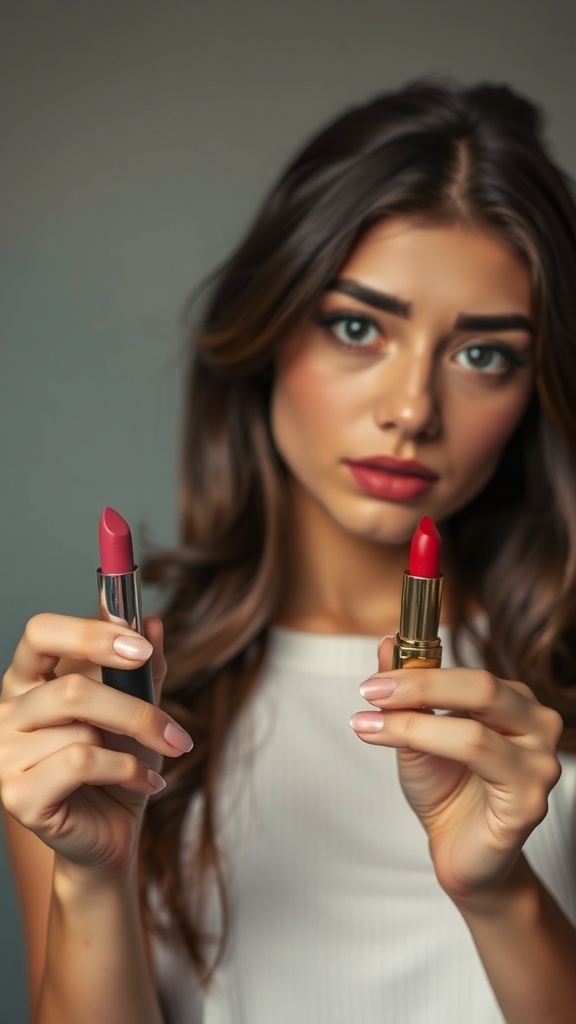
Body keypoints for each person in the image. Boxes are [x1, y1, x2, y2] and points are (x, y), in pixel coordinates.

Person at [2, 76, 576, 1024]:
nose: (412, 409)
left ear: (535, 387)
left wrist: (498, 893)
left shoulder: (550, 694)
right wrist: (93, 878)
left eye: (483, 354)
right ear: (269, 332)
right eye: (357, 328)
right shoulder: (103, 716)